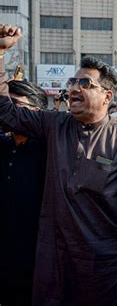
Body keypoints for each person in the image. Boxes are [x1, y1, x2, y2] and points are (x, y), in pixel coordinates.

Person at [0, 25, 117, 305]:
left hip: (109, 271)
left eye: (85, 84)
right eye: (72, 83)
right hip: (57, 265)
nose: (73, 89)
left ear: (107, 96)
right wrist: (0, 53)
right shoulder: (55, 125)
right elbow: (6, 112)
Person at [0, 80, 48, 306]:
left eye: (15, 105)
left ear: (36, 112)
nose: (7, 112)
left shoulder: (51, 150)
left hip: (35, 259)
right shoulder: (3, 145)